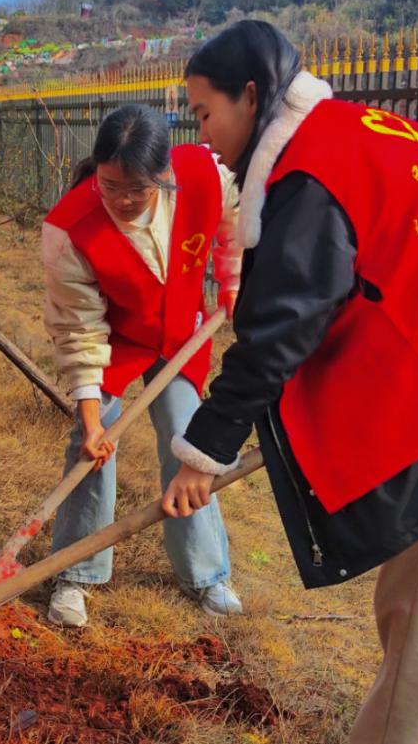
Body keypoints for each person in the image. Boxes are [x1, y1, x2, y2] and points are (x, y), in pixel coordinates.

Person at [164, 20, 418, 744]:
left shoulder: (309, 173)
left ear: (250, 98)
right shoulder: (351, 130)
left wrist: (202, 449)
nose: (202, 136)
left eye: (204, 114)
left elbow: (280, 326)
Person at [41, 104, 244, 627]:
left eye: (138, 188)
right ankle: (75, 573)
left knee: (187, 435)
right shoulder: (70, 227)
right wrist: (89, 415)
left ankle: (206, 573)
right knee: (95, 440)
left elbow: (235, 222)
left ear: (165, 174)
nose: (124, 200)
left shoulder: (203, 174)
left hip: (182, 330)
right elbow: (78, 328)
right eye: (111, 186)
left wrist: (232, 280)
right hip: (115, 338)